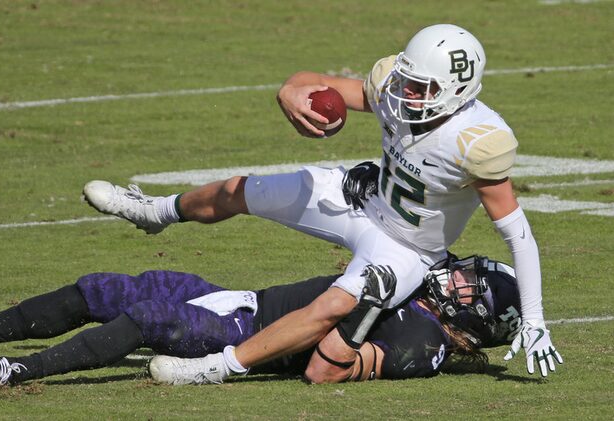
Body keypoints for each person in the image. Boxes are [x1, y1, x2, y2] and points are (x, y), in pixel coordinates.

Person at [82, 24, 562, 381]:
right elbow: (315, 81)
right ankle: (156, 212)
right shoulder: (398, 88)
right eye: (408, 80)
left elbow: (517, 233)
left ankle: (216, 367)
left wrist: (536, 319)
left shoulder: (476, 141)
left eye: (422, 88)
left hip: (407, 249)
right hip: (360, 196)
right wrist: (290, 92)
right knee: (241, 190)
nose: (405, 92)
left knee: (331, 306)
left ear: (456, 91)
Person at [0, 255, 521, 386]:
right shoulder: (419, 299)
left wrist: (370, 308)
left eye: (470, 284)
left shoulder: (421, 340)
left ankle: (16, 371)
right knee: (102, 288)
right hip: (240, 298)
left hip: (249, 337)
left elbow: (327, 373)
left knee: (145, 319)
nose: (456, 277)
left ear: (478, 314)